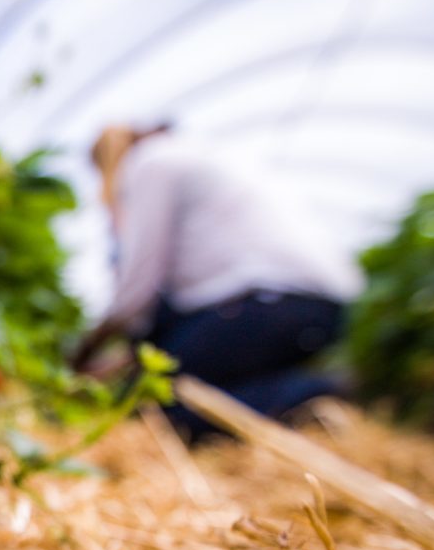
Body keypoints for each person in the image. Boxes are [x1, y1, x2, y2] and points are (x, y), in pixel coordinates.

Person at [72, 123, 364, 440]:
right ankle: (287, 391)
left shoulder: (150, 163)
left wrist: (83, 354)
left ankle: (306, 395)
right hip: (313, 308)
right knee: (177, 378)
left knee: (163, 410)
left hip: (270, 302)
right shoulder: (198, 156)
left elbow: (136, 290)